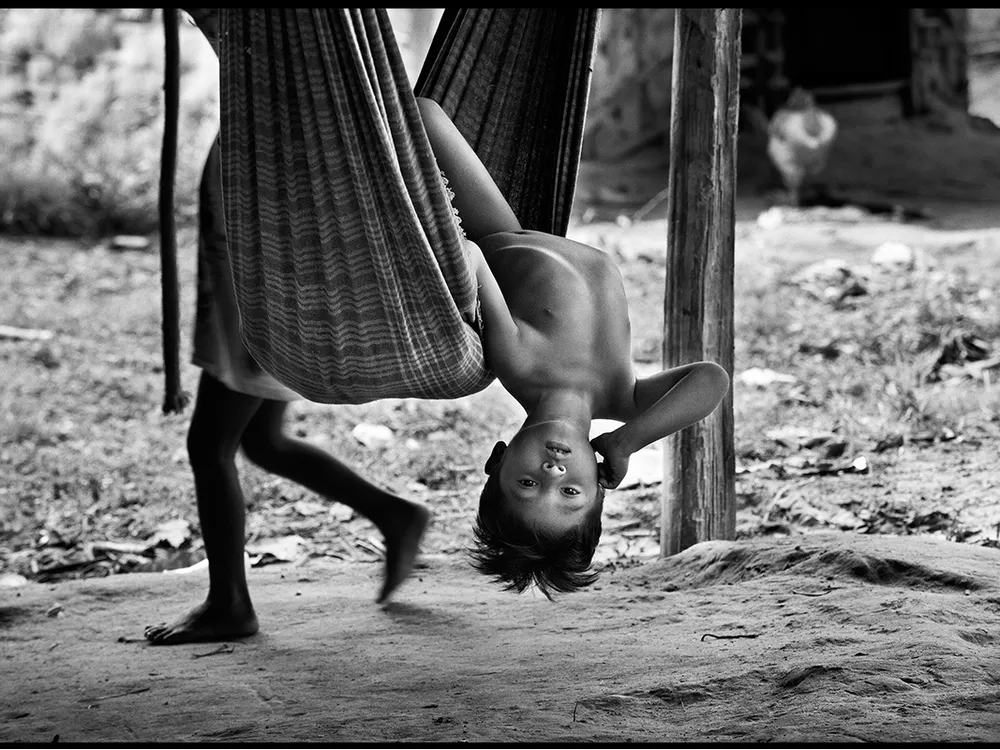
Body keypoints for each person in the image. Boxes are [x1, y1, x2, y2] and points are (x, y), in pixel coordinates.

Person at [144, 32, 430, 646]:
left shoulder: (299, 47)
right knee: (261, 440)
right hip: (255, 207)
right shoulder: (287, 57)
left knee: (210, 444)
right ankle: (394, 514)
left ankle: (229, 604)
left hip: (267, 232)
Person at [415, 97, 731, 599]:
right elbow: (711, 379)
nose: (552, 472)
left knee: (423, 115)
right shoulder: (621, 398)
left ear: (498, 461)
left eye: (525, 485)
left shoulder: (517, 364)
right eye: (569, 493)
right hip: (525, 228)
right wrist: (627, 441)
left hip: (493, 229)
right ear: (599, 484)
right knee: (423, 115)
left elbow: (473, 257)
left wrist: (434, 234)